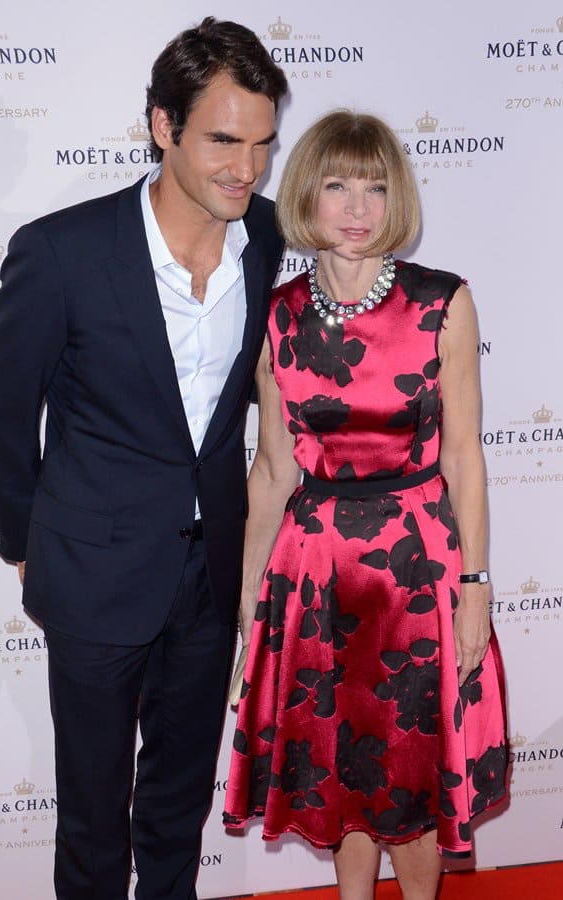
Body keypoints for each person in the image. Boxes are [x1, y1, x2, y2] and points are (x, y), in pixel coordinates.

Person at [0, 17, 287, 900]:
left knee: (177, 805)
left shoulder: (264, 238)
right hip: (91, 570)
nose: (247, 168)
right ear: (163, 127)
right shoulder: (64, 250)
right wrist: (25, 540)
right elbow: (1, 407)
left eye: (263, 143)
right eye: (224, 140)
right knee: (93, 816)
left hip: (208, 574)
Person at [223, 111, 507, 900]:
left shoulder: (441, 303)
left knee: (409, 776)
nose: (357, 207)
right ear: (307, 194)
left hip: (418, 572)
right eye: (339, 186)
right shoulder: (277, 314)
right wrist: (248, 599)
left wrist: (476, 584)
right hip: (313, 572)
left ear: (398, 198)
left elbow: (463, 457)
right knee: (338, 767)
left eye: (376, 188)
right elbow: (273, 470)